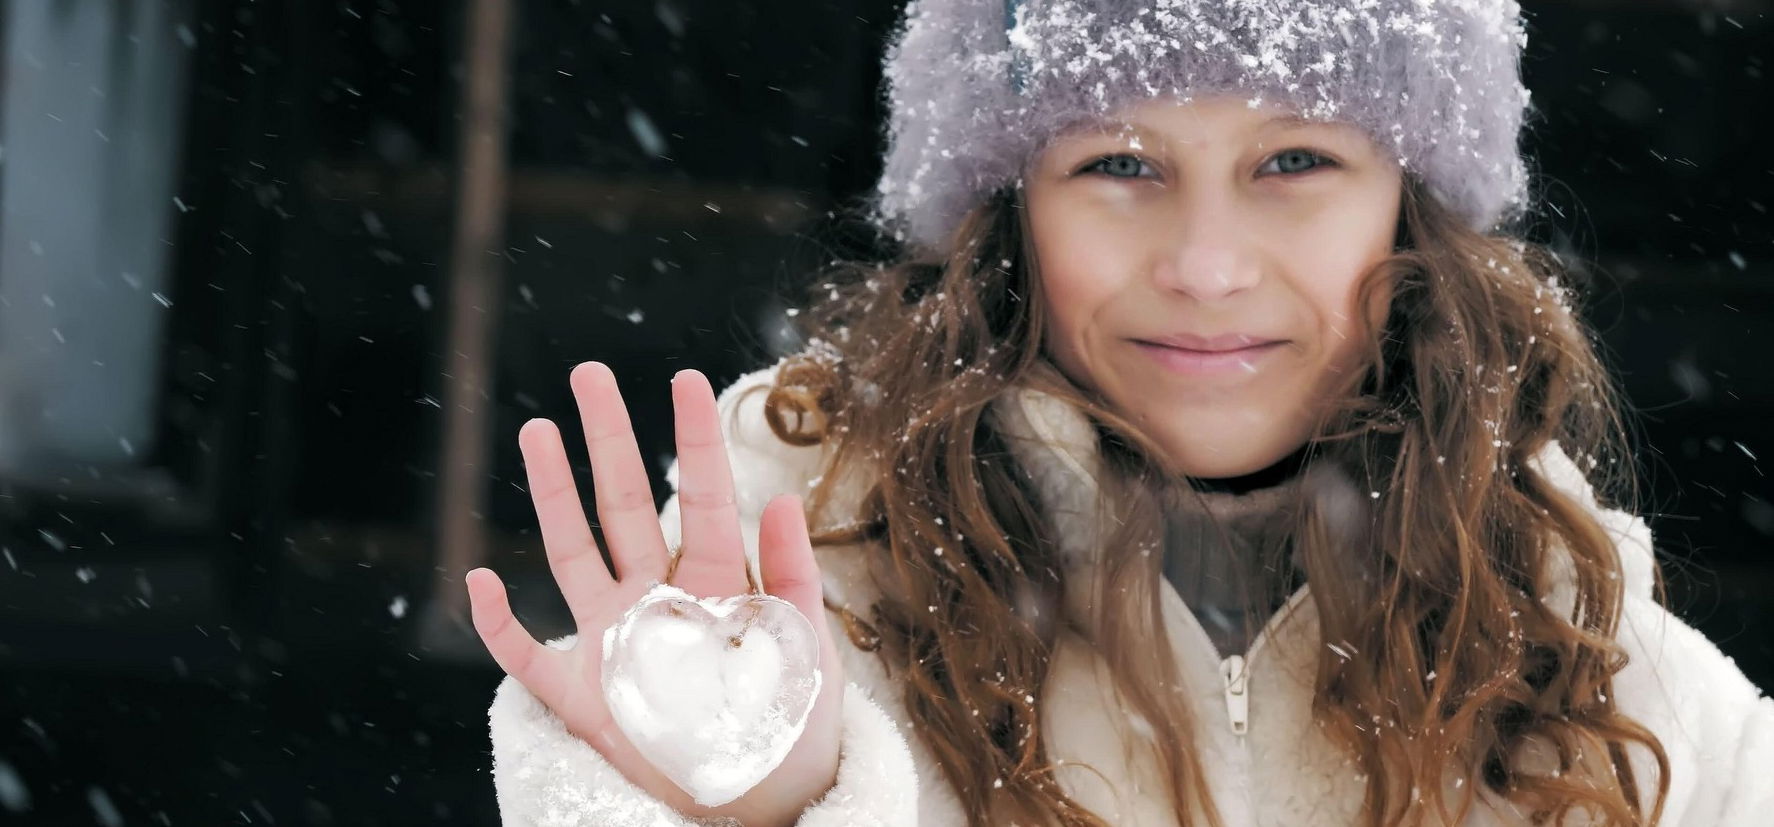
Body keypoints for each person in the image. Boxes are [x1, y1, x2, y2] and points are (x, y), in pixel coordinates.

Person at [466, 0, 1774, 824]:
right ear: (1006, 209)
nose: (1204, 266)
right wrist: (767, 809)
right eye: (1119, 163)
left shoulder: (1607, 679)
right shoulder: (790, 603)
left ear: (1410, 201)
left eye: (1295, 160)